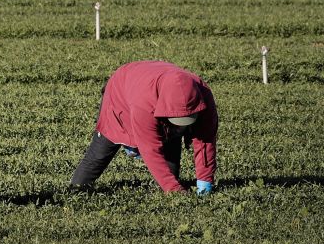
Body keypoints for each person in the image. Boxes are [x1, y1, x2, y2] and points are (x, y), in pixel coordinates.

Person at [70, 60, 218, 194]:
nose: (180, 127)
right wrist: (174, 189)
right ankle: (76, 190)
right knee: (100, 151)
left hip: (150, 94)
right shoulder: (144, 103)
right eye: (176, 120)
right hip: (121, 92)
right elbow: (150, 148)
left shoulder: (204, 95)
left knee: (171, 169)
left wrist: (205, 182)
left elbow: (205, 140)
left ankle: (171, 188)